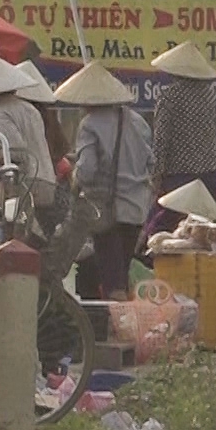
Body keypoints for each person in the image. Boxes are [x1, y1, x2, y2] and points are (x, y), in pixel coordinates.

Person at [56, 62, 152, 299]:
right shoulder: (139, 122)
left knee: (112, 280)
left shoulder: (90, 124)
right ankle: (122, 322)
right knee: (121, 272)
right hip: (137, 208)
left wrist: (74, 178)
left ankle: (115, 326)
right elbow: (150, 162)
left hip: (107, 210)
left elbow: (87, 170)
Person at [144, 42, 216, 241]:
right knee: (198, 233)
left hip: (179, 175)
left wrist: (156, 176)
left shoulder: (169, 96)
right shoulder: (212, 95)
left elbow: (161, 139)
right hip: (211, 172)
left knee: (161, 230)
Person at [0, 57, 57, 215]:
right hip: (47, 180)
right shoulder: (30, 108)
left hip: (26, 183)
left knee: (11, 233)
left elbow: (15, 151)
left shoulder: (1, 112)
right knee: (35, 238)